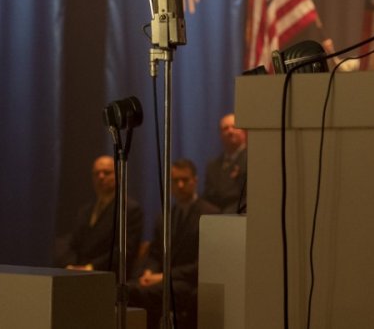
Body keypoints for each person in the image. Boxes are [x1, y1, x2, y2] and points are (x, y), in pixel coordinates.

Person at [129, 159, 219, 329]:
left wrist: (165, 275)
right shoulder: (165, 216)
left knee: (139, 292)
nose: (180, 185)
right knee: (127, 288)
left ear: (195, 181)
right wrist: (149, 271)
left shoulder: (210, 214)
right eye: (175, 180)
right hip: (162, 278)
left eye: (185, 179)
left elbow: (202, 265)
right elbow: (155, 252)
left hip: (188, 282)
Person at [54, 155, 143, 273]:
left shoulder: (130, 210)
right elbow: (74, 242)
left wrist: (90, 267)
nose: (101, 177)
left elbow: (124, 251)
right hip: (78, 273)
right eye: (96, 173)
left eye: (107, 173)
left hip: (108, 276)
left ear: (119, 175)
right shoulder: (85, 210)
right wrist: (70, 265)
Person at [203, 113, 247, 213]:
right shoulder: (212, 166)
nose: (230, 131)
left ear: (244, 132)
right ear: (220, 134)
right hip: (215, 215)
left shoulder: (253, 161)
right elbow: (208, 195)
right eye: (225, 128)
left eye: (234, 127)